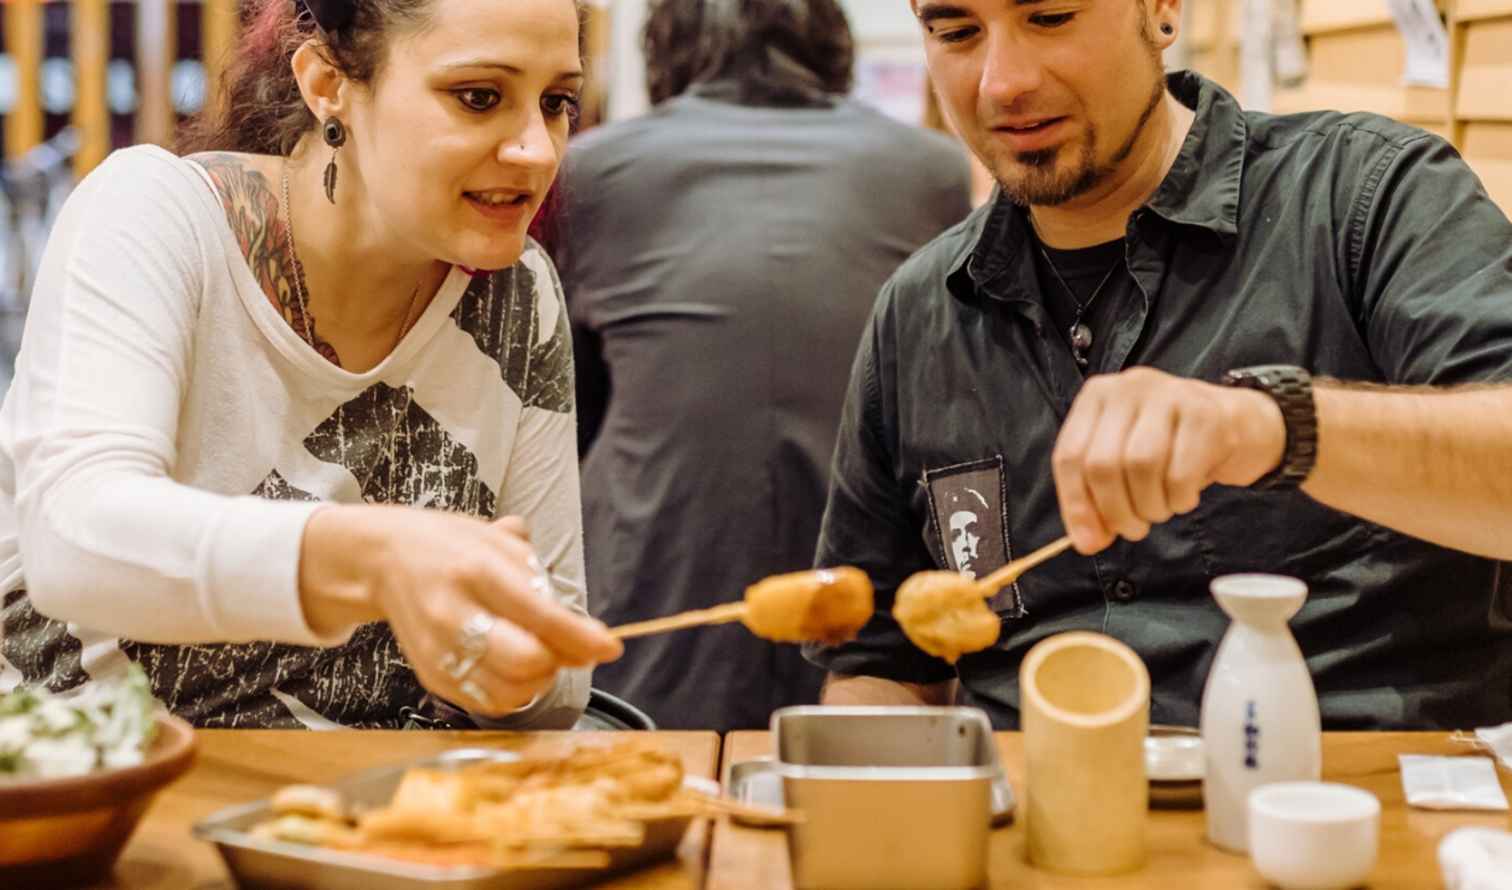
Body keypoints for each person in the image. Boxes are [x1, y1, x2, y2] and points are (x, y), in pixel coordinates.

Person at [807, 0, 1512, 730]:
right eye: (956, 34)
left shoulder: (1366, 198)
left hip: (1361, 810)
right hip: (1040, 819)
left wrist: (1271, 426)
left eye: (1050, 17)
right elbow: (882, 665)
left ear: (1163, 9)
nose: (1001, 83)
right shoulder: (919, 313)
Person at [0, 0, 623, 730]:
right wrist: (375, 558)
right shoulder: (155, 215)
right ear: (327, 84)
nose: (536, 151)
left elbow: (556, 686)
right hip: (98, 790)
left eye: (556, 104)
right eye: (479, 97)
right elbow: (74, 542)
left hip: (364, 815)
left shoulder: (519, 293)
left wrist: (501, 662)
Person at [554, 0, 972, 730]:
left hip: (650, 613)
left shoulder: (595, 170)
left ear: (665, 42)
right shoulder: (930, 171)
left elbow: (571, 416)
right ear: (831, 39)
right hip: (872, 622)